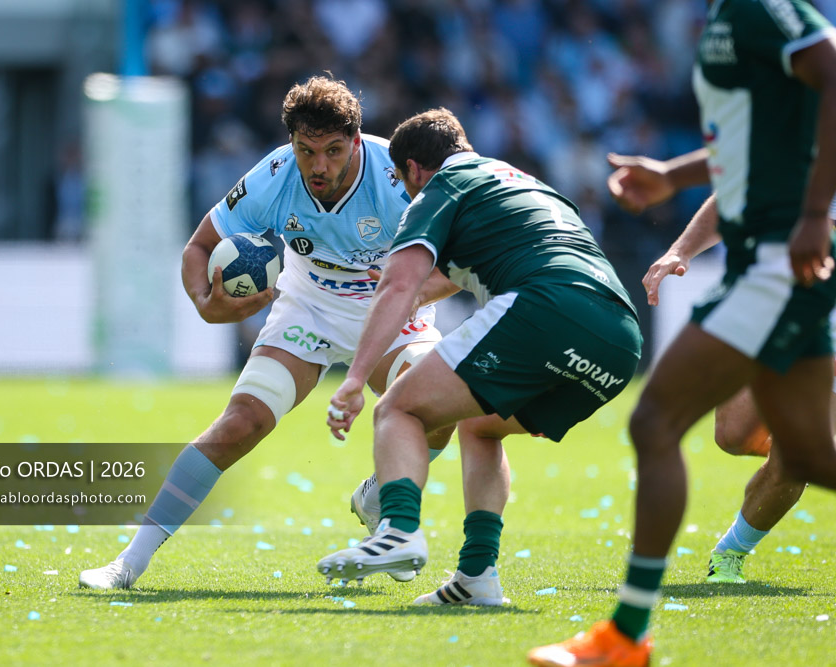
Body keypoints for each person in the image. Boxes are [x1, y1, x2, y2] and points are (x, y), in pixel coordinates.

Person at [530, 2, 836, 665]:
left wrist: (815, 212)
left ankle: (625, 635)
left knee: (655, 421)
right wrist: (672, 177)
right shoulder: (726, 17)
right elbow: (750, 148)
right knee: (805, 456)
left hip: (779, 263)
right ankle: (626, 635)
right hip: (770, 261)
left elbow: (833, 76)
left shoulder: (764, 8)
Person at [79, 75, 452, 590]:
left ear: (357, 141)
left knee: (439, 407)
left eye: (333, 150)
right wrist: (206, 305)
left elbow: (458, 263)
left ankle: (378, 498)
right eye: (306, 149)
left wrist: (410, 293)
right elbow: (198, 247)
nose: (318, 165)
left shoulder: (397, 177)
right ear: (291, 143)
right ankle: (129, 562)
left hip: (393, 307)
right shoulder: (275, 175)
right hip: (310, 307)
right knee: (241, 422)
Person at [315, 108, 643, 611]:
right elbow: (452, 277)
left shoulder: (441, 186)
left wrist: (355, 377)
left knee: (398, 409)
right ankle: (477, 576)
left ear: (413, 170)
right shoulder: (517, 181)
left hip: (547, 309)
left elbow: (401, 283)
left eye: (405, 186)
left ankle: (398, 530)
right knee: (481, 426)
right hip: (618, 338)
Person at [610, 169, 836, 584]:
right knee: (733, 436)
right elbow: (744, 180)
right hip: (769, 283)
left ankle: (729, 553)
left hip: (824, 296)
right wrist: (681, 247)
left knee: (792, 457)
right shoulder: (794, 120)